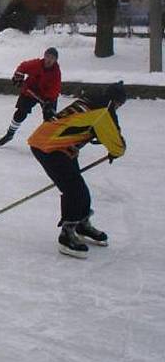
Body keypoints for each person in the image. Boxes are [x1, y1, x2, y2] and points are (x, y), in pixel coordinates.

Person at [27, 82, 126, 258]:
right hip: (50, 147)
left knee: (79, 188)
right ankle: (67, 234)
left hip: (56, 144)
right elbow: (117, 145)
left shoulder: (90, 101)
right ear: (114, 101)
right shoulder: (103, 111)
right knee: (74, 191)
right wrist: (115, 150)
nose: (118, 108)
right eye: (119, 104)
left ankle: (81, 223)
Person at [0, 47, 61, 146]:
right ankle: (10, 134)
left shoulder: (56, 72)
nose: (49, 60)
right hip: (30, 91)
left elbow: (55, 89)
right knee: (20, 113)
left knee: (49, 119)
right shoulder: (36, 64)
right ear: (44, 56)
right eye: (47, 56)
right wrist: (18, 76)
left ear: (55, 60)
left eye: (52, 58)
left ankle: (45, 140)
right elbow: (22, 67)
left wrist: (49, 101)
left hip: (47, 96)